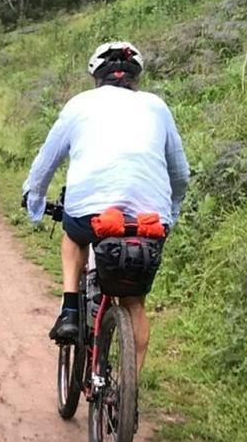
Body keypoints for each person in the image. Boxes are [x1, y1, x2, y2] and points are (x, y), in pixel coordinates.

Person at [20, 40, 189, 371]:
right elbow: (180, 173)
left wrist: (35, 200)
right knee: (134, 302)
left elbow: (46, 161)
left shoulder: (79, 105)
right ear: (135, 79)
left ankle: (70, 310)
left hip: (90, 214)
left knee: (74, 236)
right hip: (148, 219)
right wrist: (171, 211)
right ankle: (129, 388)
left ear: (97, 77)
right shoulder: (157, 107)